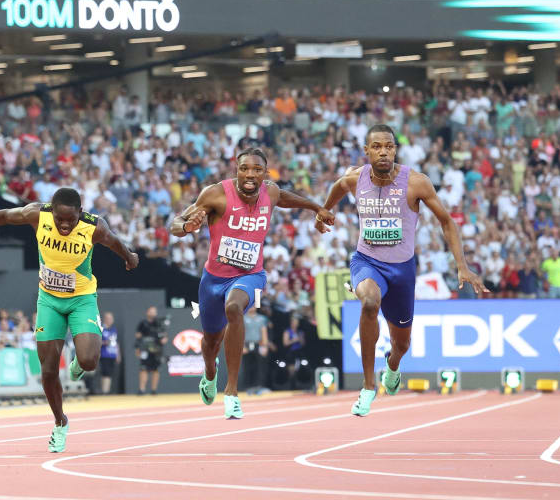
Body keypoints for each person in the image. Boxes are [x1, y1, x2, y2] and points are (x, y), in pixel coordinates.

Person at [0, 187, 137, 453]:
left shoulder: (94, 227)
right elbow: (3, 216)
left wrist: (130, 257)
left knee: (89, 362)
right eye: (60, 219)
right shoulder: (37, 214)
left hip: (82, 298)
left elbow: (114, 242)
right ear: (51, 211)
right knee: (48, 370)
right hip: (49, 301)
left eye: (71, 219)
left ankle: (80, 359)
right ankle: (60, 422)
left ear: (81, 212)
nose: (65, 225)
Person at [317, 125, 485, 417]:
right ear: (367, 151)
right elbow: (338, 188)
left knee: (402, 343)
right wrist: (325, 211)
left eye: (389, 147)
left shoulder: (416, 182)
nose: (384, 152)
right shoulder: (355, 178)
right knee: (369, 301)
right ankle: (369, 386)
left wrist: (462, 265)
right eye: (377, 146)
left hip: (402, 270)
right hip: (366, 260)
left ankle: (392, 366)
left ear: (395, 150)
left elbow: (446, 221)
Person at [171, 147, 334, 418]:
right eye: (244, 168)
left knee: (234, 309)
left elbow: (284, 197)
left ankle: (232, 392)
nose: (250, 174)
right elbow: (177, 223)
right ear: (236, 169)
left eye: (257, 169)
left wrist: (317, 207)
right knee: (210, 342)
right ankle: (210, 373)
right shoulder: (216, 194)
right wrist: (187, 228)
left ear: (264, 173)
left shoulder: (270, 192)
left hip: (251, 275)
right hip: (213, 280)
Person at [135, 306, 166, 395]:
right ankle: (142, 389)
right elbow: (138, 336)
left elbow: (164, 336)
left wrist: (163, 339)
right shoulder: (142, 323)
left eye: (154, 312)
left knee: (156, 369)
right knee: (143, 368)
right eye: (151, 311)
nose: (153, 313)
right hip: (145, 349)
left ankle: (153, 390)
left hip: (157, 349)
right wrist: (137, 348)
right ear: (147, 312)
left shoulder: (159, 323)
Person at [99, 311, 120, 395]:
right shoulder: (101, 328)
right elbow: (95, 341)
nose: (111, 320)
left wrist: (118, 354)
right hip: (104, 354)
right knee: (106, 372)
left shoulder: (113, 329)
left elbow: (116, 343)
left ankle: (106, 390)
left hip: (112, 354)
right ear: (105, 319)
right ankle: (105, 391)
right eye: (109, 318)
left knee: (110, 373)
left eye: (112, 318)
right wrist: (104, 343)